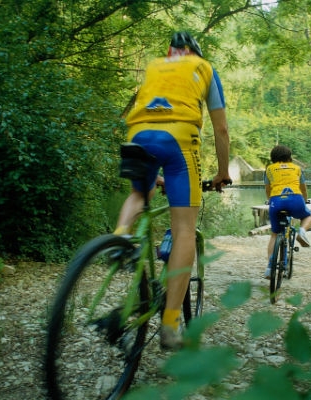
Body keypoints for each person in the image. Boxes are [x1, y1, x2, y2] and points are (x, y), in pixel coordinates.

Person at [114, 32, 231, 349]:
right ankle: (169, 325)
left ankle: (121, 237)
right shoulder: (204, 68)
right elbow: (220, 128)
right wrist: (222, 172)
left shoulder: (155, 66)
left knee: (141, 192)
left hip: (138, 135)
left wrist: (157, 175)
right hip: (179, 140)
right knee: (183, 231)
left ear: (170, 51)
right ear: (195, 53)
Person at [264, 145, 311, 278]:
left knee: (275, 234)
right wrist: (305, 200)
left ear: (273, 158)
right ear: (289, 157)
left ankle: (269, 268)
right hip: (295, 199)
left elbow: (268, 189)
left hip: (276, 201)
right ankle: (301, 232)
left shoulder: (269, 169)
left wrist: (270, 200)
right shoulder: (297, 168)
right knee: (308, 217)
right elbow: (303, 188)